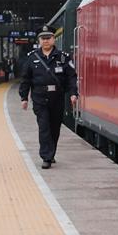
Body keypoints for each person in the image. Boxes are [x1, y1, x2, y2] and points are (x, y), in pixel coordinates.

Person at [19, 25, 78, 169]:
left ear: (53, 39)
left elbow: (71, 77)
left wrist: (73, 94)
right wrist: (24, 97)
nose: (45, 41)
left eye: (48, 38)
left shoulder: (63, 57)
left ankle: (51, 153)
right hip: (39, 98)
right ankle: (46, 157)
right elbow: (25, 79)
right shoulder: (32, 58)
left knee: (54, 128)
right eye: (42, 38)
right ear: (39, 40)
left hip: (57, 98)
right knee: (44, 127)